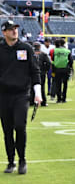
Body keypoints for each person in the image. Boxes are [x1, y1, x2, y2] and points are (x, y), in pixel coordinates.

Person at [0, 20, 42, 175]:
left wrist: (38, 93)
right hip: (3, 95)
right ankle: (11, 161)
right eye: (10, 29)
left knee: (20, 126)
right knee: (7, 130)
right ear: (4, 32)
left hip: (21, 94)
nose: (14, 31)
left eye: (15, 29)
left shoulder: (26, 48)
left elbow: (35, 71)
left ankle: (22, 159)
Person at [33, 42, 51, 106]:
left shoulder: (31, 54)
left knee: (32, 87)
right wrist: (45, 70)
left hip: (32, 73)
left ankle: (32, 101)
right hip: (41, 73)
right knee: (42, 87)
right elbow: (48, 63)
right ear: (40, 47)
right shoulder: (43, 54)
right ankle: (43, 102)